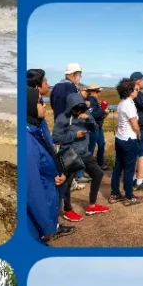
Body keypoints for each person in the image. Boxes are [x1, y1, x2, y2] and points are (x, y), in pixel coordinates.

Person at [26, 85, 73, 243]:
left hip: (47, 199)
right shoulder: (28, 139)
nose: (44, 104)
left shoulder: (36, 128)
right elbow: (32, 188)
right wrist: (47, 227)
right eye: (40, 102)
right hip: (36, 221)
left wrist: (56, 173)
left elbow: (47, 158)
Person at [53, 91, 108, 219]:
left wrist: (89, 118)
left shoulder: (86, 113)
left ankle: (92, 206)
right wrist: (74, 135)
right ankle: (67, 210)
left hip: (85, 152)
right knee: (67, 182)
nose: (78, 111)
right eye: (75, 108)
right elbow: (55, 138)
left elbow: (95, 128)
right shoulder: (62, 118)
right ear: (70, 107)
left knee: (98, 174)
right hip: (70, 154)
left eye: (80, 108)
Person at [109, 77, 142, 205]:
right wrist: (139, 134)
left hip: (120, 138)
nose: (137, 90)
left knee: (118, 167)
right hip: (129, 140)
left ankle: (115, 193)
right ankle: (129, 196)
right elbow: (134, 125)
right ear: (129, 91)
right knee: (129, 170)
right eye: (135, 89)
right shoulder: (129, 105)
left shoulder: (122, 103)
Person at [85, 84, 107, 167]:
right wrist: (103, 111)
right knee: (91, 146)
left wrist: (102, 112)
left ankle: (100, 163)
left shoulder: (94, 101)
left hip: (98, 126)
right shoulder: (90, 101)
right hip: (93, 127)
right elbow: (91, 115)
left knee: (101, 144)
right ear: (93, 92)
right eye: (98, 92)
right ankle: (88, 166)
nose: (99, 94)